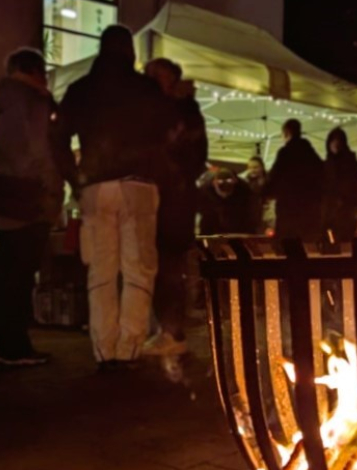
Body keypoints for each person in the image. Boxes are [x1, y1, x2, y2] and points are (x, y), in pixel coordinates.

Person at [54, 26, 175, 371]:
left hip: (95, 187)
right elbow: (168, 137)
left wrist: (74, 179)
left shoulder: (80, 90)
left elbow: (56, 138)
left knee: (101, 273)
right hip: (139, 185)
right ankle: (129, 347)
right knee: (138, 272)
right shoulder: (146, 89)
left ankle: (105, 350)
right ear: (130, 52)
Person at [0, 48, 66, 366]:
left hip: (5, 200)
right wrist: (52, 189)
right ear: (34, 70)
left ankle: (9, 343)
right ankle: (16, 346)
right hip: (29, 201)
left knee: (9, 275)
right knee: (19, 277)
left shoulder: (2, 101)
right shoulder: (30, 101)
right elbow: (37, 150)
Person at [143, 58, 208, 357]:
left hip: (173, 199)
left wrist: (171, 179)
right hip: (168, 196)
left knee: (168, 267)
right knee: (161, 267)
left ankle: (172, 332)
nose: (151, 79)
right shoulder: (177, 108)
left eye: (157, 75)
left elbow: (191, 156)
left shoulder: (181, 110)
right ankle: (167, 330)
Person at [264, 119, 325, 242]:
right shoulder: (311, 154)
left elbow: (274, 177)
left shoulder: (285, 153)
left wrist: (264, 193)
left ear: (287, 133)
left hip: (289, 207)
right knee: (308, 243)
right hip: (310, 208)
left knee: (287, 243)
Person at [321, 128, 357, 242]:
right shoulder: (327, 163)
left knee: (344, 239)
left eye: (338, 142)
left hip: (345, 209)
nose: (335, 145)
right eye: (333, 142)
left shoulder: (349, 162)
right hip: (330, 210)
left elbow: (354, 183)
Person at [198, 168, 257, 236]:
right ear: (214, 184)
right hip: (212, 220)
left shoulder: (244, 190)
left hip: (237, 219)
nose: (225, 195)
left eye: (228, 192)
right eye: (221, 192)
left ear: (235, 182)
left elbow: (251, 213)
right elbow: (202, 212)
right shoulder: (204, 191)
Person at [242, 156, 270, 234]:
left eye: (255, 167)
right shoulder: (245, 183)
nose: (252, 170)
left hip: (266, 219)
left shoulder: (269, 182)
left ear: (262, 167)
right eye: (250, 168)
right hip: (249, 220)